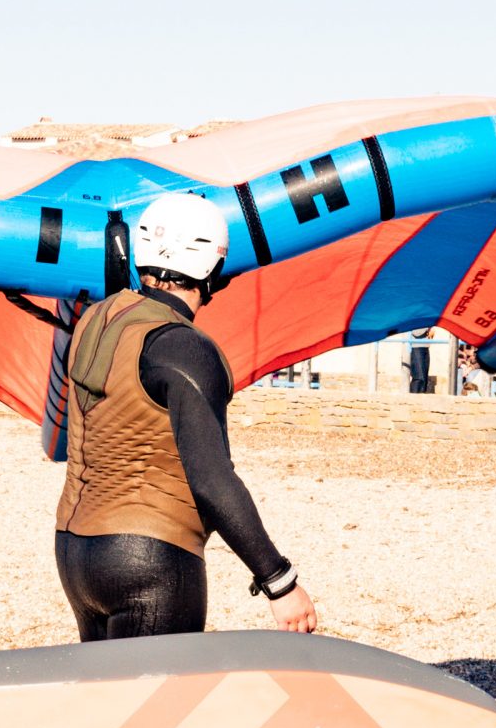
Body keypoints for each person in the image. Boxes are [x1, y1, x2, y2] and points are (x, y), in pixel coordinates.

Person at [55, 191, 320, 641]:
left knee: (107, 705)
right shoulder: (184, 346)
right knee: (157, 708)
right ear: (212, 269)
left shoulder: (94, 319)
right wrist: (279, 580)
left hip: (75, 550)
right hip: (149, 558)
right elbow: (213, 481)